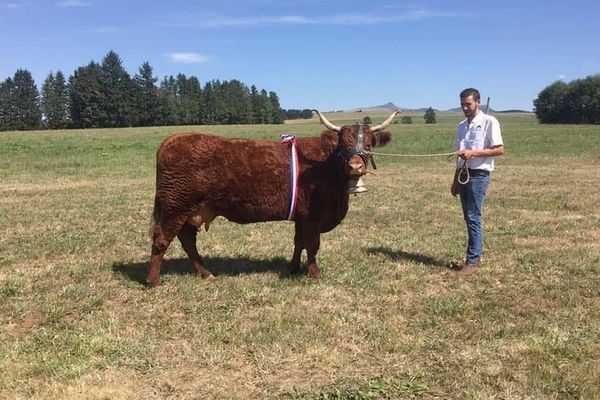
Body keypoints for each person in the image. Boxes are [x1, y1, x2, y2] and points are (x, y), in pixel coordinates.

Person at [451, 88, 504, 275]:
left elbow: (499, 149)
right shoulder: (461, 125)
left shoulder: (490, 122)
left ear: (478, 102)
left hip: (479, 175)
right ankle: (475, 254)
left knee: (473, 216)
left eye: (468, 104)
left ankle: (472, 260)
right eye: (462, 104)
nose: (465, 108)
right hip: (463, 174)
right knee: (468, 216)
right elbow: (459, 156)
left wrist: (474, 153)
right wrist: (455, 181)